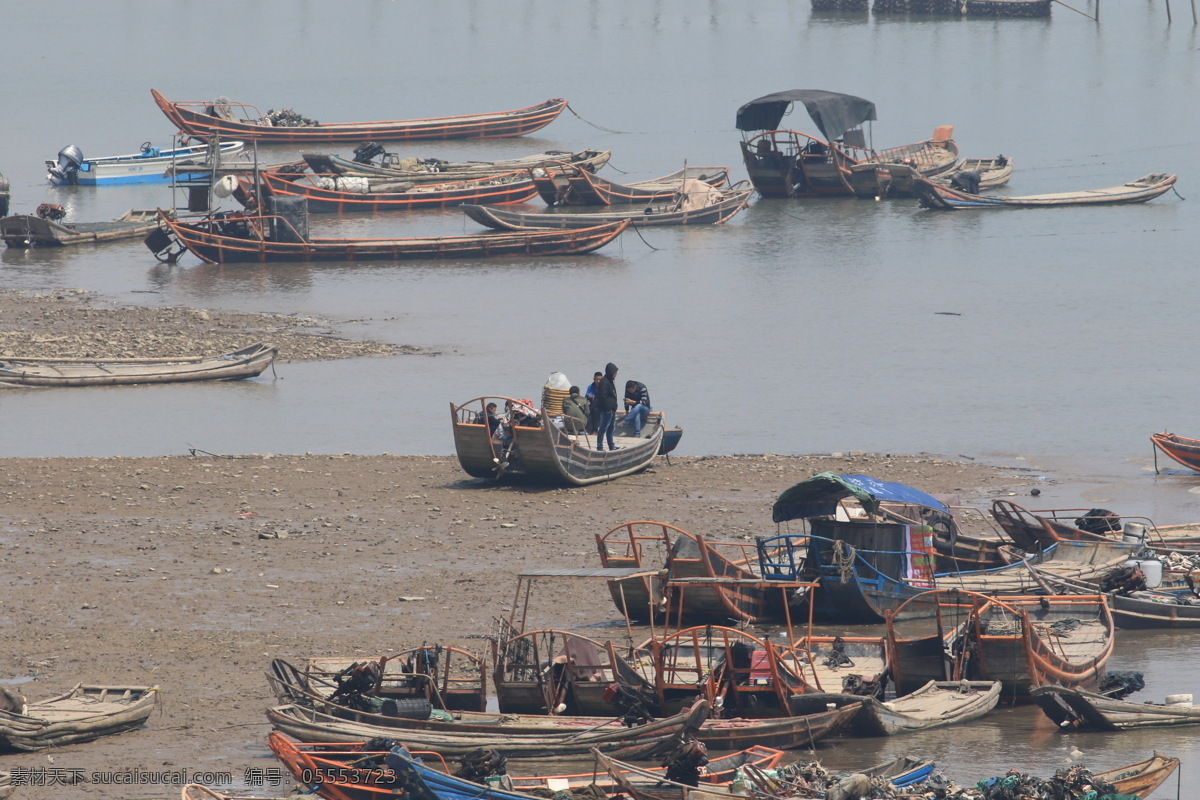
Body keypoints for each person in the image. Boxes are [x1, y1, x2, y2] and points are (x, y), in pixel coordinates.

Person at [595, 362, 619, 451]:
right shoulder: (604, 382)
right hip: (607, 410)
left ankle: (611, 446)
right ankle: (600, 447)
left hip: (612, 410)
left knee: (610, 429)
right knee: (603, 428)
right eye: (615, 372)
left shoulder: (610, 381)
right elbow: (602, 397)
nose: (616, 374)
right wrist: (608, 408)